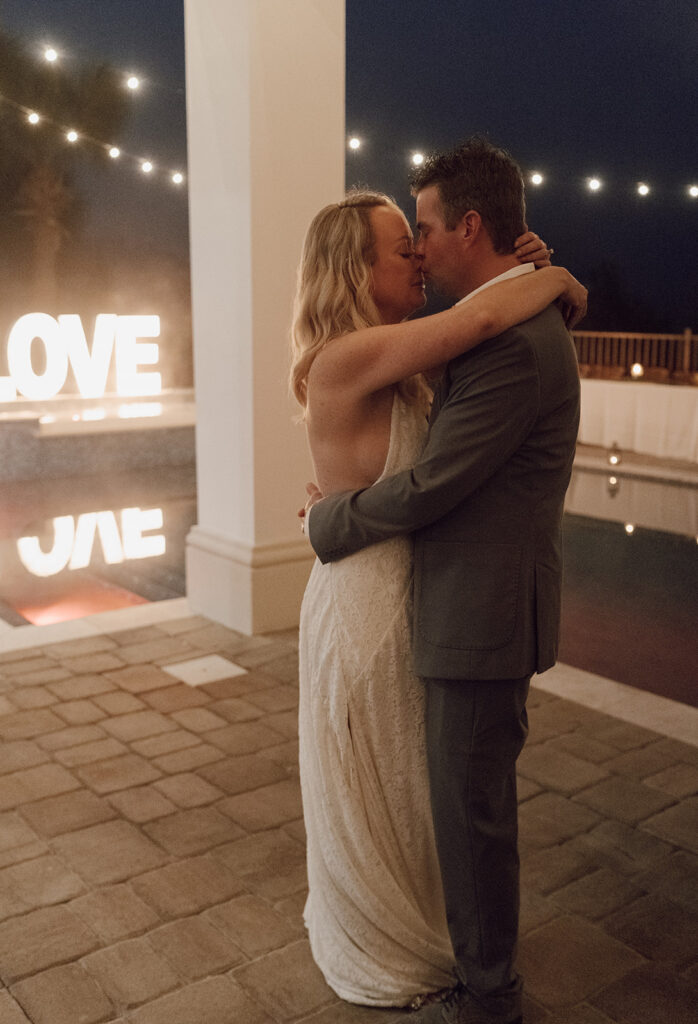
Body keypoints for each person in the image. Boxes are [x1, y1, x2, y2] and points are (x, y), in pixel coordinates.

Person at [293, 172, 585, 1015]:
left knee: (417, 791)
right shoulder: (351, 355)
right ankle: (390, 937)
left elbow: (482, 324)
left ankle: (435, 930)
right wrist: (557, 279)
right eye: (402, 244)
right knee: (382, 785)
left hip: (415, 593)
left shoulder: (411, 350)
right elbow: (486, 314)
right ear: (356, 268)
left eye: (421, 234)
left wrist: (525, 274)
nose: (418, 253)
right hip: (366, 601)